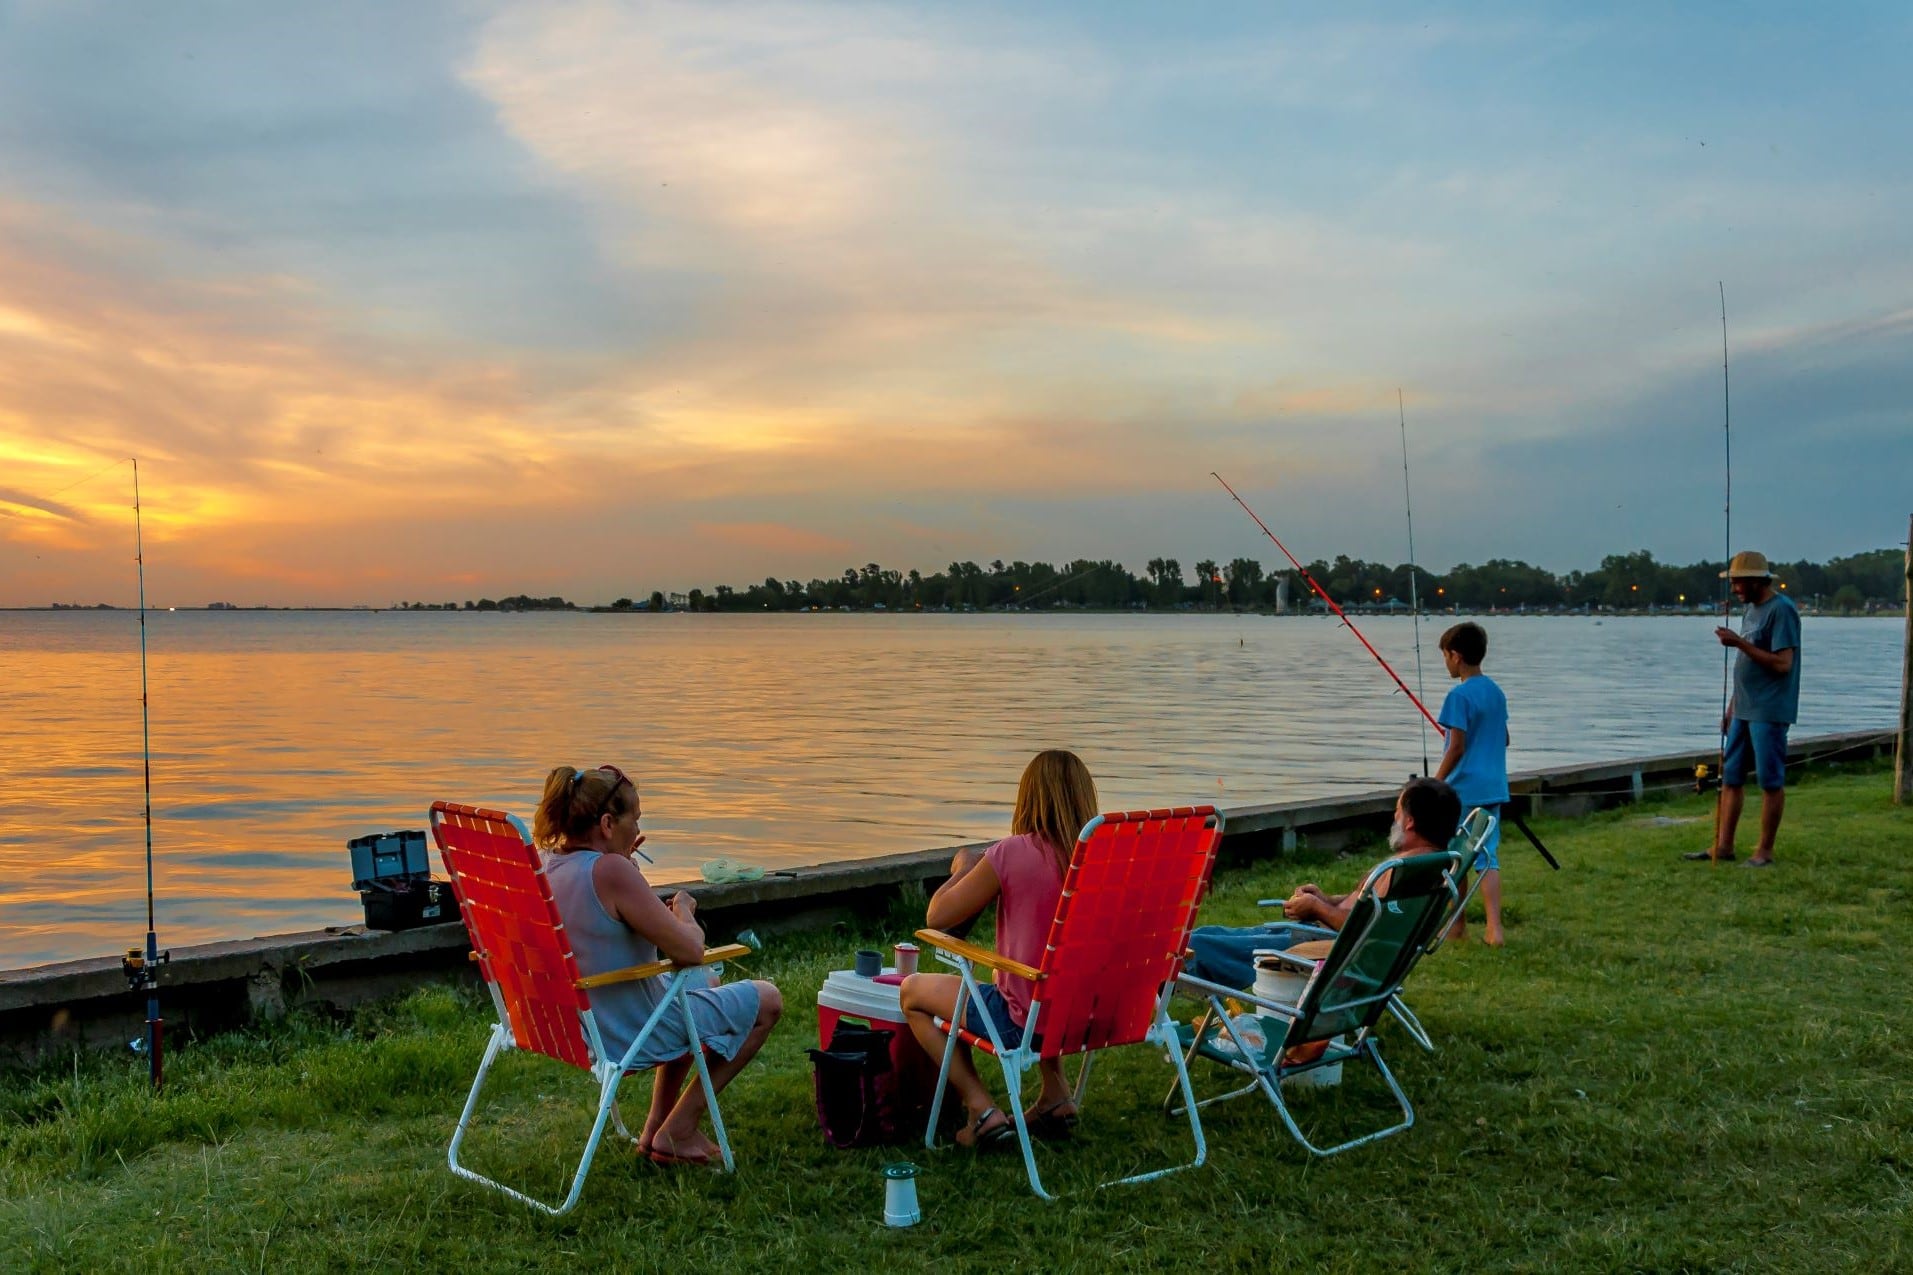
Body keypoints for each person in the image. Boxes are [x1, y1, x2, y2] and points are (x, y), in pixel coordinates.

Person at [533, 765, 783, 1167]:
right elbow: (689, 951)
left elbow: (600, 922)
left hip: (571, 1026)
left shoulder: (545, 865)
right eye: (636, 817)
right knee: (766, 1000)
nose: (639, 827)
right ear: (608, 823)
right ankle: (679, 1129)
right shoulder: (611, 871)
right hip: (625, 1032)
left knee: (705, 982)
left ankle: (654, 1128)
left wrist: (625, 869)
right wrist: (684, 910)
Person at [898, 749, 1098, 1148]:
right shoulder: (1102, 857)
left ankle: (981, 1109)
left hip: (1023, 1024)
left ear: (1028, 799)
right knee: (1039, 980)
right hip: (1094, 1017)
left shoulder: (1013, 852)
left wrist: (966, 867)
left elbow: (938, 916)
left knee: (912, 994)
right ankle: (1055, 1095)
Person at [1183, 776, 1463, 991]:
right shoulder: (1429, 864)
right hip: (1321, 936)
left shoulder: (1406, 871)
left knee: (1198, 946)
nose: (1394, 817)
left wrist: (1317, 909)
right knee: (1204, 934)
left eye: (1398, 810)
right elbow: (1369, 909)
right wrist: (1327, 900)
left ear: (1411, 822)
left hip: (1321, 948)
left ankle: (1158, 989)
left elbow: (1364, 928)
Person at [1686, 551, 1801, 867]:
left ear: (1755, 581)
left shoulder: (1782, 611)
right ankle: (1723, 847)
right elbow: (1745, 664)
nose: (1734, 588)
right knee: (1730, 777)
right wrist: (1732, 707)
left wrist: (1739, 643)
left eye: (1737, 582)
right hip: (1743, 709)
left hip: (1769, 710)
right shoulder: (1751, 610)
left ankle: (1764, 851)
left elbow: (1782, 664)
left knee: (1770, 780)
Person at [1432, 622, 1511, 945]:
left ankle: (1458, 925)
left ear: (1456, 655)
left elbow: (1456, 747)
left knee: (1456, 858)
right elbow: (1503, 739)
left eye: (1445, 656)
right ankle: (1494, 928)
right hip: (1494, 786)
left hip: (1462, 788)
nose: (1446, 663)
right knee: (1486, 857)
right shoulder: (1495, 691)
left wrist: (1435, 783)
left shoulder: (1458, 696)